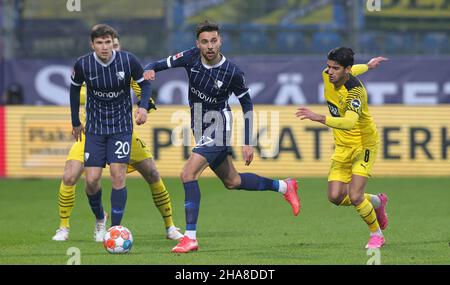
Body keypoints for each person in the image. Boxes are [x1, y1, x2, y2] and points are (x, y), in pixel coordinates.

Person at [144, 21, 300, 253]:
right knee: (233, 181)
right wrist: (150, 70)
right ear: (198, 44)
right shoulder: (190, 57)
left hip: (219, 125)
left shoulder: (232, 72)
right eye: (205, 42)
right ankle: (284, 186)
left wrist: (248, 140)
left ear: (220, 41)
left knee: (188, 174)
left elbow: (247, 104)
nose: (209, 46)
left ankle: (190, 237)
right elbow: (155, 64)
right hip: (199, 123)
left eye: (213, 41)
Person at [52, 34, 183, 242]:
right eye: (103, 44)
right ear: (94, 47)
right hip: (91, 133)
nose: (108, 49)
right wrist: (76, 121)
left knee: (152, 172)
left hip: (122, 131)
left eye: (113, 45)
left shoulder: (124, 69)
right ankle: (65, 227)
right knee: (71, 176)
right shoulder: (86, 69)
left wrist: (144, 107)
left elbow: (143, 93)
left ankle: (170, 226)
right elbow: (73, 94)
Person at [296, 47, 389, 249]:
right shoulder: (330, 75)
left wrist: (318, 117)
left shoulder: (355, 92)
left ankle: (377, 235)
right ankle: (376, 202)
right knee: (336, 197)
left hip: (364, 144)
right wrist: (369, 65)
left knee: (355, 196)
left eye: (335, 68)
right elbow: (355, 69)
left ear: (345, 70)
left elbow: (348, 122)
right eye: (328, 66)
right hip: (342, 146)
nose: (329, 72)